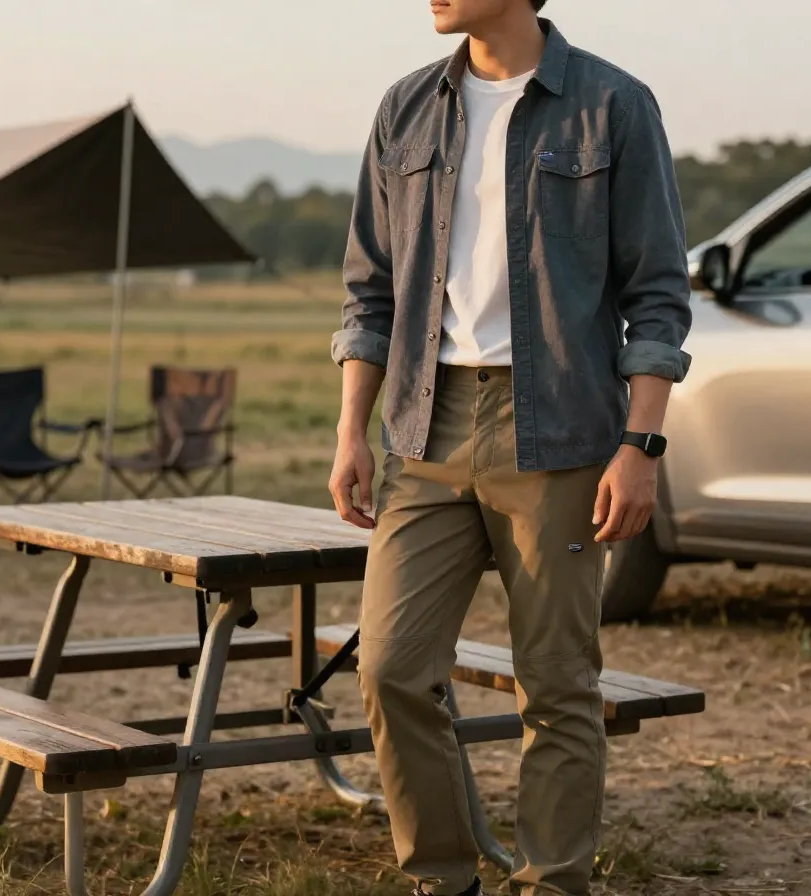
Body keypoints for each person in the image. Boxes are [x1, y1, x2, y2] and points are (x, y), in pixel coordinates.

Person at [329, 0, 692, 892]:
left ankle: (551, 881)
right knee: (391, 668)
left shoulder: (614, 106)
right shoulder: (405, 108)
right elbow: (368, 292)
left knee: (557, 684)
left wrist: (641, 443)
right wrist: (350, 432)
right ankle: (443, 875)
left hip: (562, 432)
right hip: (425, 428)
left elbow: (658, 292)